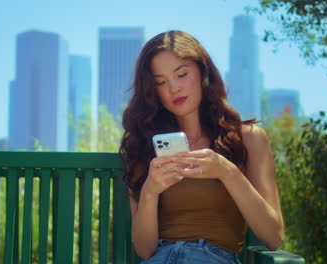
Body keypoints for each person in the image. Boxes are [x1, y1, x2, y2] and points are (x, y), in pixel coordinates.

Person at [119, 30, 284, 264]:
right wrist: (150, 192)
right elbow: (145, 251)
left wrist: (227, 173)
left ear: (202, 72)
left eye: (182, 74)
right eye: (161, 82)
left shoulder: (248, 138)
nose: (174, 88)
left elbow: (273, 236)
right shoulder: (145, 146)